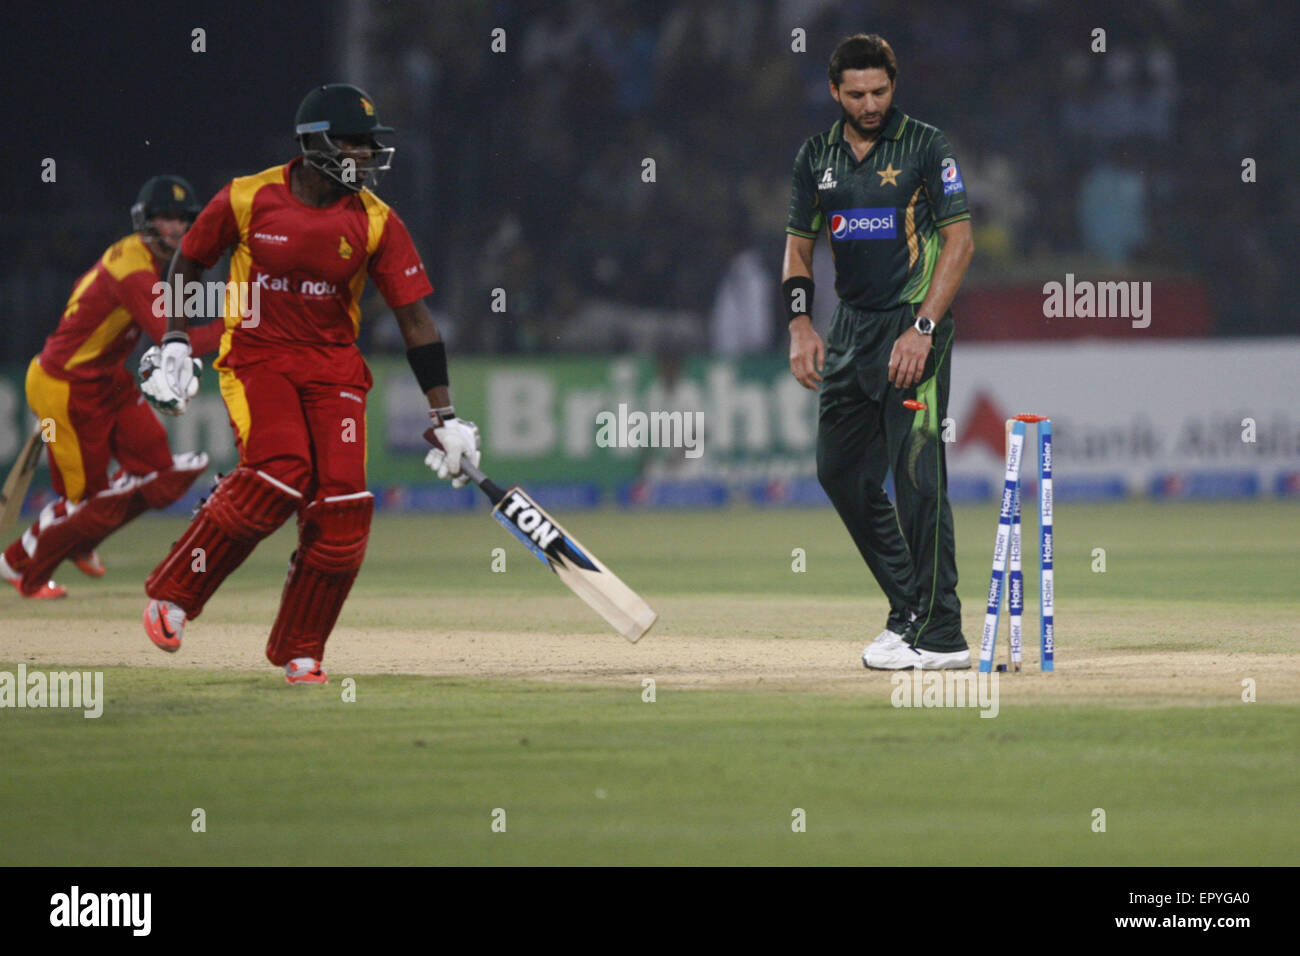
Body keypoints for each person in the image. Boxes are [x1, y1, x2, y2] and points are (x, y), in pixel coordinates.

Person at [139, 83, 480, 685]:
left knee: (344, 509)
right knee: (281, 474)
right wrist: (172, 338)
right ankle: (174, 596)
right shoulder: (248, 197)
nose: (368, 157)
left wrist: (445, 417)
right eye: (356, 144)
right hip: (257, 357)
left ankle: (302, 650)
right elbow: (190, 260)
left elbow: (415, 320)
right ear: (317, 142)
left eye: (372, 146)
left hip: (334, 368)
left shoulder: (376, 221)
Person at [782, 35, 976, 670]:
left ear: (896, 85)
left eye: (881, 92)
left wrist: (922, 327)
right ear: (834, 91)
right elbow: (799, 249)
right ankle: (909, 611)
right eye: (857, 94)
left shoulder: (925, 145)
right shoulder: (816, 157)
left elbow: (961, 244)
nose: (870, 104)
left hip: (913, 327)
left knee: (917, 475)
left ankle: (942, 634)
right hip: (850, 330)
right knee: (838, 470)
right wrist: (800, 323)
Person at [0, 176, 220, 599]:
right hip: (63, 387)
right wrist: (241, 323)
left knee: (158, 468)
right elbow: (174, 340)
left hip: (106, 378)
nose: (175, 227)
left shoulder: (147, 261)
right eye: (165, 217)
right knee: (84, 501)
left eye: (181, 218)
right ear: (146, 220)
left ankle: (82, 540)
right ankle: (15, 564)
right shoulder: (136, 269)